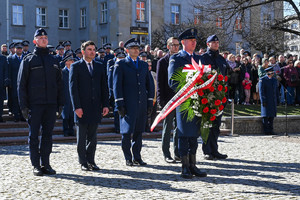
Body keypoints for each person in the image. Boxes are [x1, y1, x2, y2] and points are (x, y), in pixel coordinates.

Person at [17, 28, 64, 176]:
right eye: (40, 37)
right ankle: (36, 165)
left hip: (50, 104)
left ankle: (46, 163)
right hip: (35, 105)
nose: (43, 39)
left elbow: (59, 84)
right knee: (33, 136)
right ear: (34, 41)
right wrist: (23, 105)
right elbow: (21, 84)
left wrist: (60, 103)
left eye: (45, 37)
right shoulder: (28, 60)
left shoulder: (54, 60)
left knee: (48, 135)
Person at [168, 28, 207, 178]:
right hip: (184, 102)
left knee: (194, 135)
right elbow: (172, 81)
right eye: (191, 40)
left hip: (198, 101)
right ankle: (184, 166)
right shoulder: (176, 59)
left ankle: (193, 165)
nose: (194, 42)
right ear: (183, 42)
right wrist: (188, 88)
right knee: (184, 135)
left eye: (195, 40)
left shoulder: (198, 59)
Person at [113, 38, 154, 166]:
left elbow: (150, 84)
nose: (136, 50)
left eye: (137, 48)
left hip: (141, 103)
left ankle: (137, 156)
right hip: (127, 104)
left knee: (138, 132)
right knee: (126, 132)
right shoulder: (121, 64)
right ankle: (128, 157)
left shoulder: (143, 64)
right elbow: (117, 85)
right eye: (133, 48)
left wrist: (149, 102)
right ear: (127, 50)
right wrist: (119, 104)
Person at [69, 40, 109, 171]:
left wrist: (105, 104)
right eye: (89, 49)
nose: (92, 52)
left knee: (93, 137)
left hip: (95, 106)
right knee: (81, 137)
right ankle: (83, 162)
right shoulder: (76, 66)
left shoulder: (99, 65)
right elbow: (73, 89)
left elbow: (104, 87)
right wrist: (77, 107)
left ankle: (91, 160)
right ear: (83, 52)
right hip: (82, 107)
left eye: (93, 49)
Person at [200, 34, 228, 160]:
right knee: (207, 124)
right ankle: (207, 150)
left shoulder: (222, 59)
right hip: (208, 96)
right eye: (213, 42)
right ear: (208, 44)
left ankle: (214, 149)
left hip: (219, 96)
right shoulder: (204, 58)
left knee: (216, 125)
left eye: (217, 42)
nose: (216, 44)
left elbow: (225, 77)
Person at [156, 36, 180, 163]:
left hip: (180, 99)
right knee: (167, 127)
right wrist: (161, 101)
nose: (175, 47)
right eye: (173, 45)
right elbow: (159, 83)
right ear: (168, 46)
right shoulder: (162, 62)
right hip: (168, 100)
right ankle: (166, 153)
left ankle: (177, 152)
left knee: (178, 128)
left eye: (177, 45)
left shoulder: (181, 59)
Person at [107, 50, 126, 133]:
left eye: (123, 58)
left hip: (125, 92)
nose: (121, 59)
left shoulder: (126, 67)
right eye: (120, 58)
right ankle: (117, 127)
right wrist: (111, 92)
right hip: (116, 92)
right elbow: (111, 81)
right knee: (117, 110)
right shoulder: (113, 68)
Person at [7, 42, 25, 122]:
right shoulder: (10, 58)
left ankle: (22, 115)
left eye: (20, 48)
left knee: (23, 99)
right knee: (15, 99)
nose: (19, 50)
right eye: (18, 48)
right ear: (15, 49)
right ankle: (16, 116)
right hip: (14, 83)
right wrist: (9, 82)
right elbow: (8, 71)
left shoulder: (25, 58)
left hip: (24, 83)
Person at [259, 67, 279, 135]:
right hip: (266, 100)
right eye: (271, 72)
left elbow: (276, 91)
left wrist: (277, 99)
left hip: (272, 100)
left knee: (271, 116)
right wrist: (263, 100)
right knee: (266, 116)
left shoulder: (274, 80)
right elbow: (261, 91)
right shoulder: (263, 80)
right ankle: (266, 130)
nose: (272, 73)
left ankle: (271, 129)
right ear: (268, 72)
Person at [61, 54, 76, 137]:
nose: (72, 62)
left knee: (72, 114)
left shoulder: (74, 71)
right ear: (66, 62)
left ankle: (71, 129)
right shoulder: (62, 72)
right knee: (65, 114)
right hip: (65, 95)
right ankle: (65, 130)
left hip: (73, 96)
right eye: (71, 61)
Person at [0, 53, 8, 122]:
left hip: (1, 85)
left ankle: (0, 116)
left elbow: (6, 70)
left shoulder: (3, 58)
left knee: (0, 102)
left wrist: (6, 81)